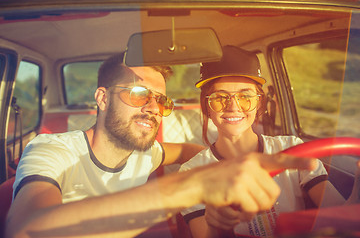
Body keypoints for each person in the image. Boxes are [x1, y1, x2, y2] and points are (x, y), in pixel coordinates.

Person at [5, 52, 317, 238]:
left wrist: (221, 168)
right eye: (139, 94)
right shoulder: (51, 150)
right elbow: (25, 231)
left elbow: (187, 151)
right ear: (102, 98)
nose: (154, 107)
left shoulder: (147, 153)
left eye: (161, 99)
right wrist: (193, 184)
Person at [180, 45, 360, 238]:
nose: (233, 107)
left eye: (245, 97)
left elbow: (338, 214)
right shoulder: (192, 172)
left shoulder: (292, 149)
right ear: (206, 107)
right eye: (219, 97)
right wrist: (216, 223)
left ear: (259, 103)